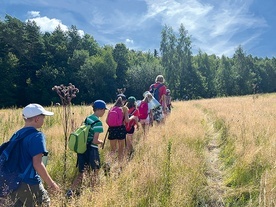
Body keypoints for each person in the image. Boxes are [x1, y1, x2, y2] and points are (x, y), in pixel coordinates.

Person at [8, 103, 60, 206]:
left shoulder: (17, 134)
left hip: (13, 182)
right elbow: (37, 164)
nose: (44, 120)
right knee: (44, 203)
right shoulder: (37, 136)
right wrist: (52, 184)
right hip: (30, 181)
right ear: (37, 119)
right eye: (43, 117)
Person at [67, 100, 108, 197]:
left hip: (83, 148)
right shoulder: (98, 122)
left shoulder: (88, 118)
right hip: (92, 150)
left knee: (82, 172)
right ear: (101, 109)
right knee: (95, 171)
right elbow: (95, 140)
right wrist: (101, 142)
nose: (104, 112)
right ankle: (93, 192)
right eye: (104, 110)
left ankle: (70, 191)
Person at [106, 94, 134, 163]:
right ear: (124, 101)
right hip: (121, 129)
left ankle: (109, 163)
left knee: (113, 149)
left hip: (112, 129)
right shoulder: (124, 108)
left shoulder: (111, 108)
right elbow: (127, 120)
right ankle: (120, 163)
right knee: (121, 148)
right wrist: (132, 117)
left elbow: (107, 121)